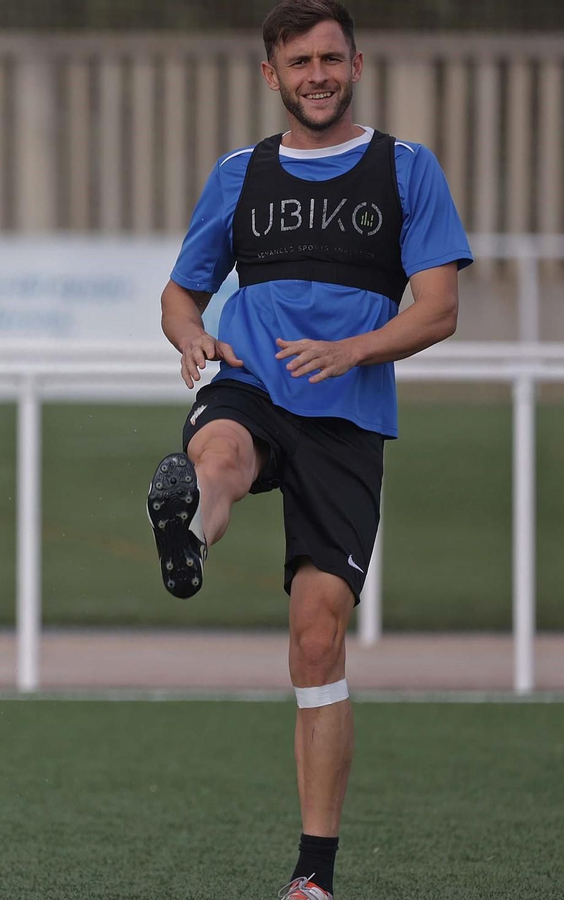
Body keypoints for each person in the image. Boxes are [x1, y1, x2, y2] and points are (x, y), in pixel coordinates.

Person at [145, 1, 470, 896]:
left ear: (356, 63)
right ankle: (189, 533)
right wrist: (190, 338)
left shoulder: (406, 169)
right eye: (300, 62)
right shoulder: (239, 174)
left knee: (318, 637)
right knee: (217, 456)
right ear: (272, 75)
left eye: (331, 58)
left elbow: (438, 308)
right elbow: (180, 294)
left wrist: (351, 352)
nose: (317, 74)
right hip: (249, 377)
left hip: (347, 416)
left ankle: (313, 877)